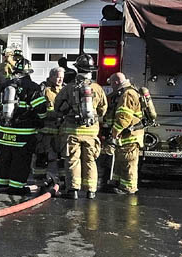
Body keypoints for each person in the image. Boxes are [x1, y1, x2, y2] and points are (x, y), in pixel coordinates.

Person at [54, 54, 108, 199]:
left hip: (72, 131)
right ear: (91, 71)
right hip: (91, 132)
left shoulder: (68, 88)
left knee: (73, 159)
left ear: (77, 69)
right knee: (90, 160)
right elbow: (103, 109)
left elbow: (57, 107)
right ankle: (91, 191)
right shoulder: (97, 88)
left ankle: (73, 190)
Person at [0, 59, 47, 195]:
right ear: (28, 73)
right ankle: (16, 187)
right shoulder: (33, 87)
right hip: (23, 133)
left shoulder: (4, 85)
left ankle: (1, 184)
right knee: (20, 160)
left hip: (3, 132)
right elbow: (41, 109)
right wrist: (39, 121)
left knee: (4, 158)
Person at [105, 72, 144, 195]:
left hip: (131, 136)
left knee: (128, 163)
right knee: (121, 160)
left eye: (111, 83)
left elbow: (124, 118)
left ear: (116, 82)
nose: (111, 86)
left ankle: (129, 188)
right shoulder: (123, 93)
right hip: (126, 136)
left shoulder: (127, 94)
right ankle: (118, 183)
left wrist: (114, 133)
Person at [33, 67, 66, 184]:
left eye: (62, 77)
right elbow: (38, 108)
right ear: (51, 76)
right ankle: (40, 179)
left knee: (62, 156)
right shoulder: (43, 89)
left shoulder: (64, 89)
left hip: (60, 130)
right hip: (45, 130)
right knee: (42, 155)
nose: (60, 80)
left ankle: (63, 179)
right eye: (58, 77)